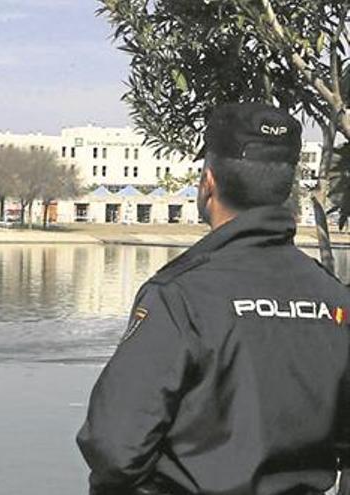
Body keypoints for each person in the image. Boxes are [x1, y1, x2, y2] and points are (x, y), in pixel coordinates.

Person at [77, 102, 350, 495]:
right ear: (286, 189)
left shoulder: (179, 295)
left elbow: (114, 449)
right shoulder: (334, 299)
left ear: (208, 183)